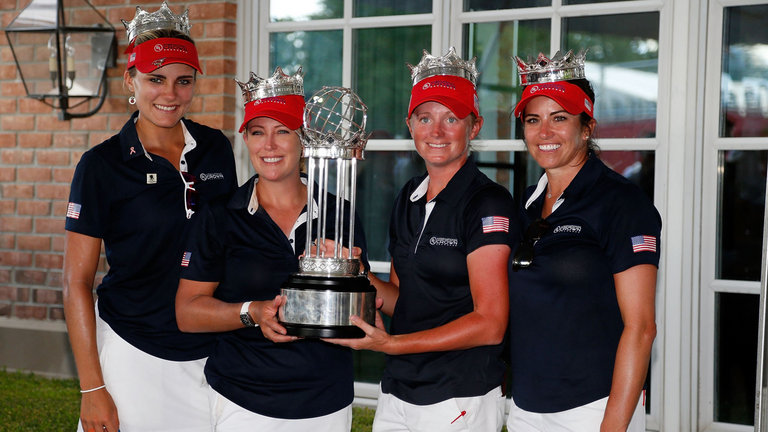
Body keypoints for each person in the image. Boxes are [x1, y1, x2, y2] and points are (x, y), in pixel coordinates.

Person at [62, 4, 237, 432]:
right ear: (131, 81)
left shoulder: (215, 148)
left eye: (183, 81)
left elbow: (229, 243)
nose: (170, 94)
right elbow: (75, 282)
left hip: (211, 349)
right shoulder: (101, 165)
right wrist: (92, 388)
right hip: (134, 350)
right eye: (155, 79)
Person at [326, 47, 516, 432]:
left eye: (452, 118)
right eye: (424, 118)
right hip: (399, 388)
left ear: (474, 126)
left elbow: (490, 323)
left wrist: (391, 345)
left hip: (459, 394)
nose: (437, 131)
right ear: (409, 124)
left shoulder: (487, 202)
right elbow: (401, 299)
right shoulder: (410, 195)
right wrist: (352, 270)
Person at [174, 67, 369, 432]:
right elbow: (188, 312)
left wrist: (354, 274)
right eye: (258, 132)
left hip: (326, 399)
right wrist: (254, 312)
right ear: (245, 137)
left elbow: (359, 308)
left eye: (283, 131)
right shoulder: (219, 216)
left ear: (304, 139)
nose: (270, 145)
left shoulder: (337, 212)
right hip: (242, 399)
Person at [506, 50, 661, 432]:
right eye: (533, 120)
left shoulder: (622, 203)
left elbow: (641, 328)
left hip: (592, 408)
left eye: (560, 118)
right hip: (525, 405)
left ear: (587, 127)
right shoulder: (524, 203)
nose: (544, 133)